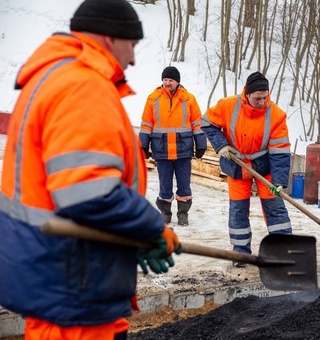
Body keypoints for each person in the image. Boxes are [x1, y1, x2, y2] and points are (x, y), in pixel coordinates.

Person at [0, 0, 181, 339]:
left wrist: (126, 237)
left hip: (64, 277)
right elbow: (88, 193)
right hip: (73, 286)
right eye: (132, 45)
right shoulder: (82, 86)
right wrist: (150, 228)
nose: (133, 59)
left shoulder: (57, 76)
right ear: (110, 39)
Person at [201, 71, 292, 267]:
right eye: (258, 98)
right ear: (247, 95)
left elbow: (280, 152)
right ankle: (241, 252)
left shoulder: (276, 115)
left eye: (265, 98)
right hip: (236, 165)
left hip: (264, 166)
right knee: (238, 210)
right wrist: (221, 145)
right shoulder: (227, 105)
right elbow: (206, 122)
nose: (262, 102)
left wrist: (279, 181)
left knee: (275, 209)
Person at [139, 66, 207, 226]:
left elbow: (197, 123)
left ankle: (183, 213)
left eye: (170, 80)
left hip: (183, 149)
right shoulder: (153, 98)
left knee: (184, 184)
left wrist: (201, 144)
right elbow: (146, 124)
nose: (167, 83)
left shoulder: (189, 99)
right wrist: (143, 145)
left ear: (177, 82)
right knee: (164, 184)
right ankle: (165, 212)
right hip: (161, 149)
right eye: (165, 80)